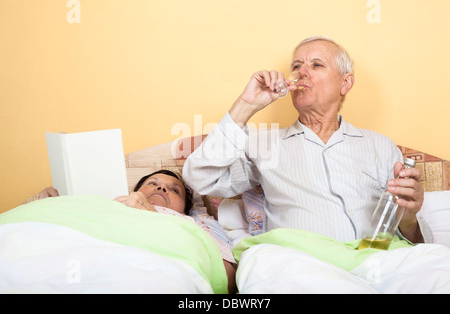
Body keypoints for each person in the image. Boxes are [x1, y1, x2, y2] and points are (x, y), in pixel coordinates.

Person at [182, 35, 431, 244]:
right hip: (302, 266)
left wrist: (408, 219)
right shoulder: (263, 145)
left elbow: (419, 244)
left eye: (316, 65)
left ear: (346, 83)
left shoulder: (381, 146)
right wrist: (246, 105)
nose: (301, 73)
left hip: (379, 262)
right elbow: (201, 179)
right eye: (297, 66)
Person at [35, 169, 236, 293]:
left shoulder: (195, 223)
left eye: (174, 190)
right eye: (153, 184)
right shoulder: (108, 204)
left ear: (185, 208)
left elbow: (226, 277)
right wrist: (50, 206)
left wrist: (155, 219)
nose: (162, 189)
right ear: (135, 191)